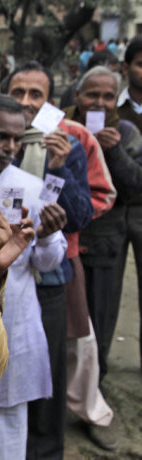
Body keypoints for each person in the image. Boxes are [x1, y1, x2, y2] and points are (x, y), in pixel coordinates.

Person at [4, 60, 117, 453]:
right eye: (18, 92)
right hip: (0, 273)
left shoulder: (65, 146)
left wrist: (57, 169)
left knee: (47, 369)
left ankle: (45, 449)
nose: (26, 101)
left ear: (50, 101)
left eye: (36, 94)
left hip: (49, 277)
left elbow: (81, 214)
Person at [0, 95, 67, 460]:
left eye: (16, 138)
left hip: (13, 319)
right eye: (0, 136)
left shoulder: (31, 186)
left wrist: (44, 236)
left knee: (8, 426)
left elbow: (47, 263)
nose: (10, 146)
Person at [65, 66, 142, 386]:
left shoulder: (125, 133)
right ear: (78, 97)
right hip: (63, 239)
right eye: (92, 94)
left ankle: (95, 389)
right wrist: (78, 146)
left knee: (99, 319)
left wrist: (113, 151)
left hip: (104, 241)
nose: (99, 102)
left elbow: (135, 189)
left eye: (108, 96)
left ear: (116, 100)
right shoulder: (61, 127)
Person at [116, 35, 142, 374]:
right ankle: (97, 377)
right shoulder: (110, 108)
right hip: (111, 212)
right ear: (127, 67)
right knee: (105, 294)